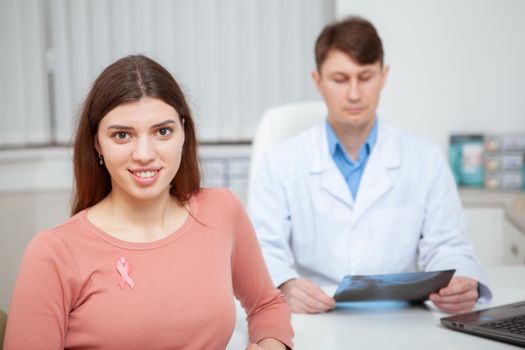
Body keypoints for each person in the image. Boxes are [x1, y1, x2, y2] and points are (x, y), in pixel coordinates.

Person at [4, 55, 293, 350]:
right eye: (122, 135)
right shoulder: (53, 252)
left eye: (162, 132)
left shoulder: (222, 210)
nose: (144, 154)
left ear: (183, 132)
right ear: (96, 143)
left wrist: (270, 345)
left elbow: (266, 304)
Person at [247, 16, 492, 315]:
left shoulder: (424, 158)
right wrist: (285, 285)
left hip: (398, 315)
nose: (353, 93)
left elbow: (447, 243)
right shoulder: (282, 162)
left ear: (384, 76)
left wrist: (462, 284)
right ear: (318, 81)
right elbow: (261, 248)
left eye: (365, 77)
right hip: (313, 315)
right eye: (340, 79)